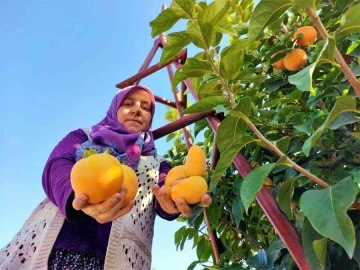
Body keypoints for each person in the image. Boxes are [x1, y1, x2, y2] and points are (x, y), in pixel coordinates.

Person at [0, 85, 211, 270]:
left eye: (146, 108)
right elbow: (57, 165)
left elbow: (166, 189)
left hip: (118, 261)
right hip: (55, 248)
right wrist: (76, 198)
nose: (137, 110)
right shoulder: (84, 136)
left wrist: (171, 202)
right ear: (114, 108)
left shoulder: (156, 162)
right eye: (129, 104)